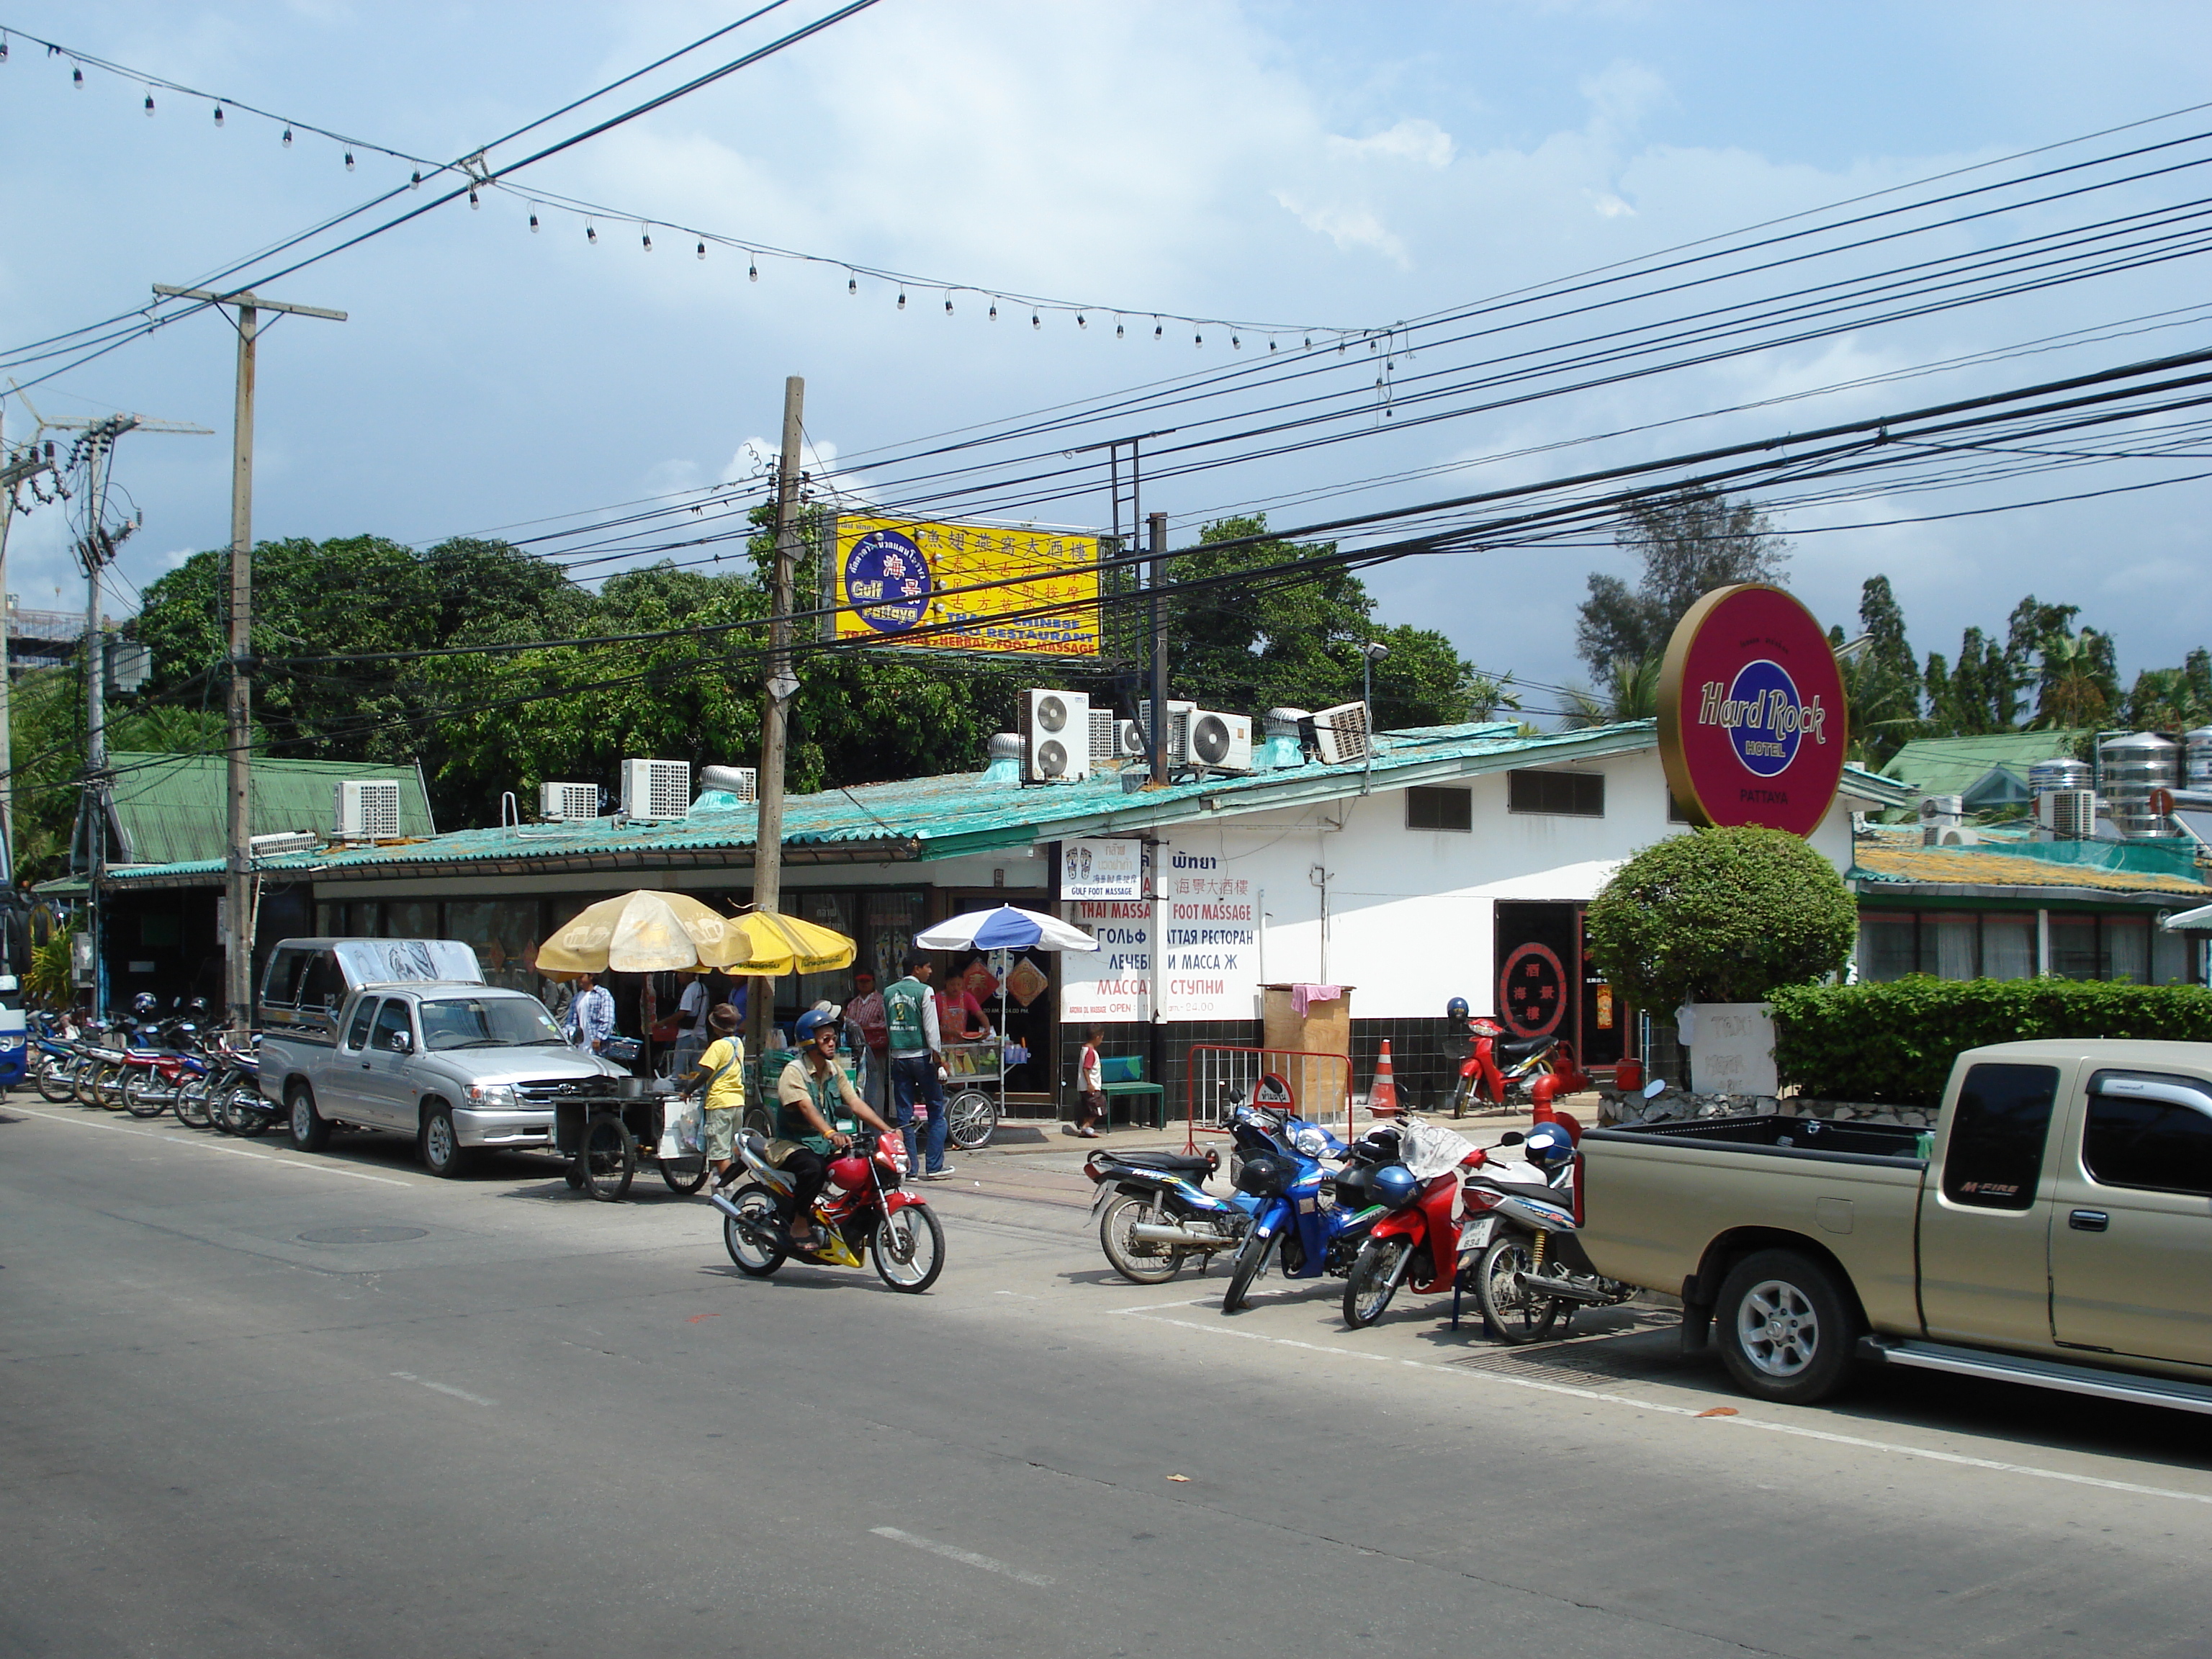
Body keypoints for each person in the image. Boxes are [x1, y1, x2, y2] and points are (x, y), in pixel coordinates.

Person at [775, 1007, 897, 1250]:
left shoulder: (834, 1069)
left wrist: (887, 1129)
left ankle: (847, 1222)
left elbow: (854, 1102)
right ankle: (799, 1225)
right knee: (813, 1168)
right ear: (810, 1043)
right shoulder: (794, 1072)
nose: (833, 1043)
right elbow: (807, 1108)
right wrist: (830, 1133)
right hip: (793, 1144)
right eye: (826, 1039)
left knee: (867, 1164)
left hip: (823, 1142)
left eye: (834, 1038)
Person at [883, 954, 953, 1180]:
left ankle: (910, 1169)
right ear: (917, 969)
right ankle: (933, 1166)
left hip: (897, 1057)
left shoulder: (888, 992)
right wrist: (939, 1059)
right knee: (936, 1111)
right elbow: (931, 1029)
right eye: (927, 967)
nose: (930, 972)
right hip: (921, 1057)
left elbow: (888, 1025)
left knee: (904, 1115)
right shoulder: (925, 991)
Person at [673, 1002, 747, 1190]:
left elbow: (705, 1073)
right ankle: (718, 1184)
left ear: (714, 1026)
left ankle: (729, 1191)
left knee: (719, 1151)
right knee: (729, 1147)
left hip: (719, 1103)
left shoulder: (718, 1046)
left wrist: (687, 1090)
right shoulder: (738, 1043)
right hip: (737, 1101)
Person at [845, 969, 889, 1114]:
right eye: (861, 982)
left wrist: (867, 1027)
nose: (864, 985)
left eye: (867, 981)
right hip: (857, 1050)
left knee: (876, 1084)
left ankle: (877, 1117)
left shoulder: (881, 1001)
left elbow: (886, 1023)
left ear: (873, 982)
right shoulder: (853, 1004)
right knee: (859, 1082)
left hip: (876, 1047)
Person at [562, 973, 616, 1053]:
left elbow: (608, 1018)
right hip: (580, 1047)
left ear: (590, 977)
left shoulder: (602, 994)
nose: (578, 980)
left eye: (581, 977)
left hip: (597, 1047)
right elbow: (571, 1022)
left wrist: (599, 1037)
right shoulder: (577, 998)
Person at [935, 973, 992, 1043]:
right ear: (946, 983)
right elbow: (934, 1026)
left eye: (959, 985)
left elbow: (980, 1014)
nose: (956, 988)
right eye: (952, 985)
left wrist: (987, 1027)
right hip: (942, 1043)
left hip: (962, 1043)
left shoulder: (967, 997)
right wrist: (951, 1032)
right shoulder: (938, 999)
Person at [1071, 1026, 1107, 1138]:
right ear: (1097, 1037)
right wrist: (1090, 1084)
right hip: (1091, 1087)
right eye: (1101, 1038)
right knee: (1099, 1107)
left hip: (1084, 1086)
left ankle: (1086, 1129)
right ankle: (1086, 1127)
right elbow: (1086, 1068)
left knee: (1089, 1109)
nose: (1101, 1041)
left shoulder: (1085, 1049)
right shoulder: (1091, 1052)